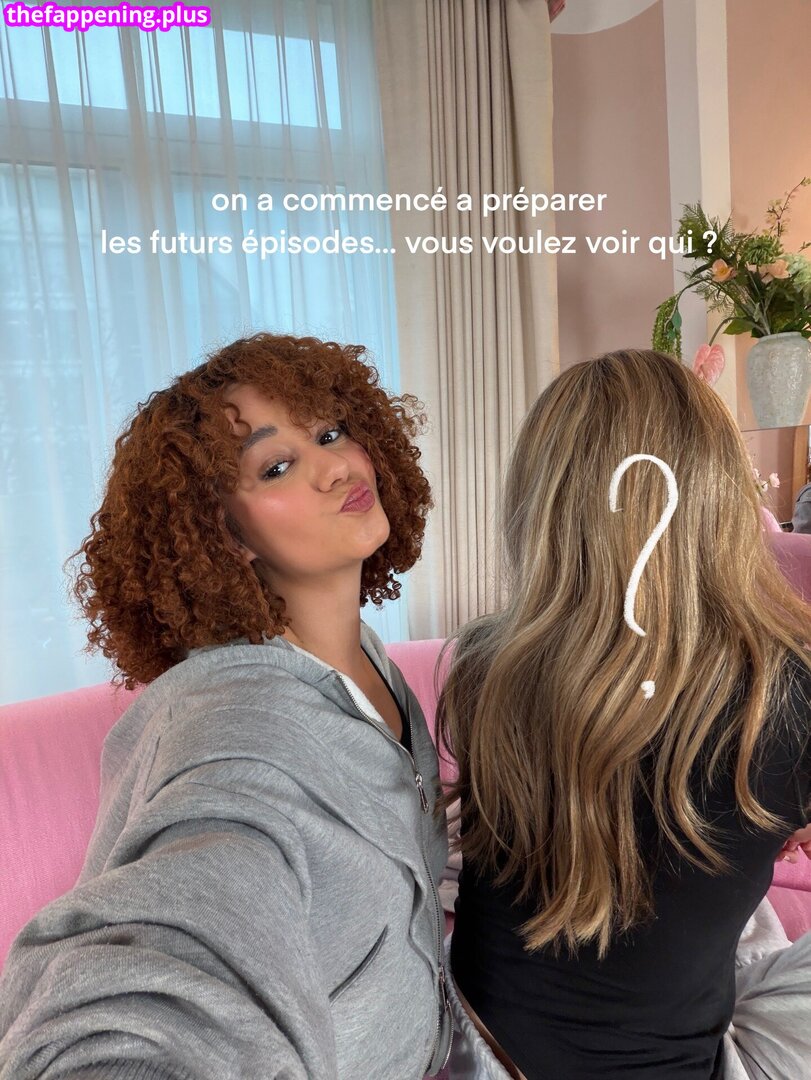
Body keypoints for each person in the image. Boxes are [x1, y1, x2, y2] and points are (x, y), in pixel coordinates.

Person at [0, 332, 452, 1079]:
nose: (336, 467)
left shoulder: (365, 661)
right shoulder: (235, 730)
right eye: (276, 466)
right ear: (225, 533)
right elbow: (166, 963)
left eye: (330, 433)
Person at [437, 349, 811, 1080]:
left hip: (481, 1049)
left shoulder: (485, 663)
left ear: (541, 503)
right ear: (719, 492)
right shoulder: (790, 688)